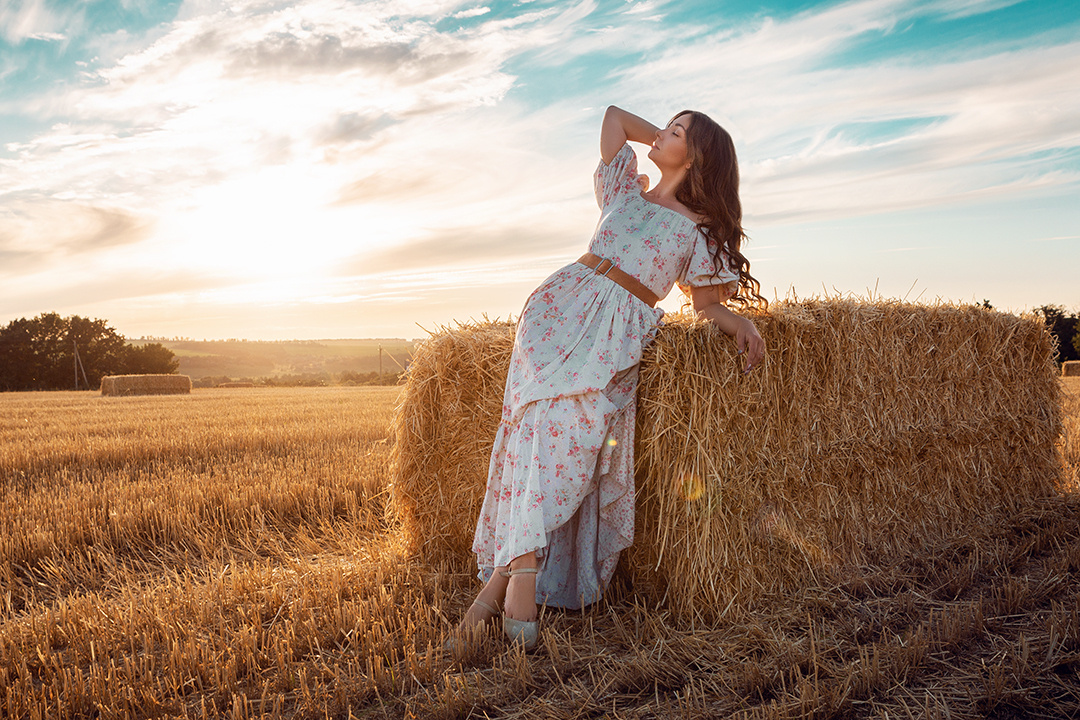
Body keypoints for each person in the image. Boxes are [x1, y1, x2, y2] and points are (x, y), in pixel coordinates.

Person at [456, 106, 767, 651]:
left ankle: (502, 588)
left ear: (697, 156)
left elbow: (707, 305)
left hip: (617, 331)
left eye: (677, 132)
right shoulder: (625, 190)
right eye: (667, 125)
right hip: (557, 312)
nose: (663, 133)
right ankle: (516, 586)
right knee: (531, 434)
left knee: (568, 446)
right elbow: (613, 118)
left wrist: (738, 321)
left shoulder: (701, 230)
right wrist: (669, 142)